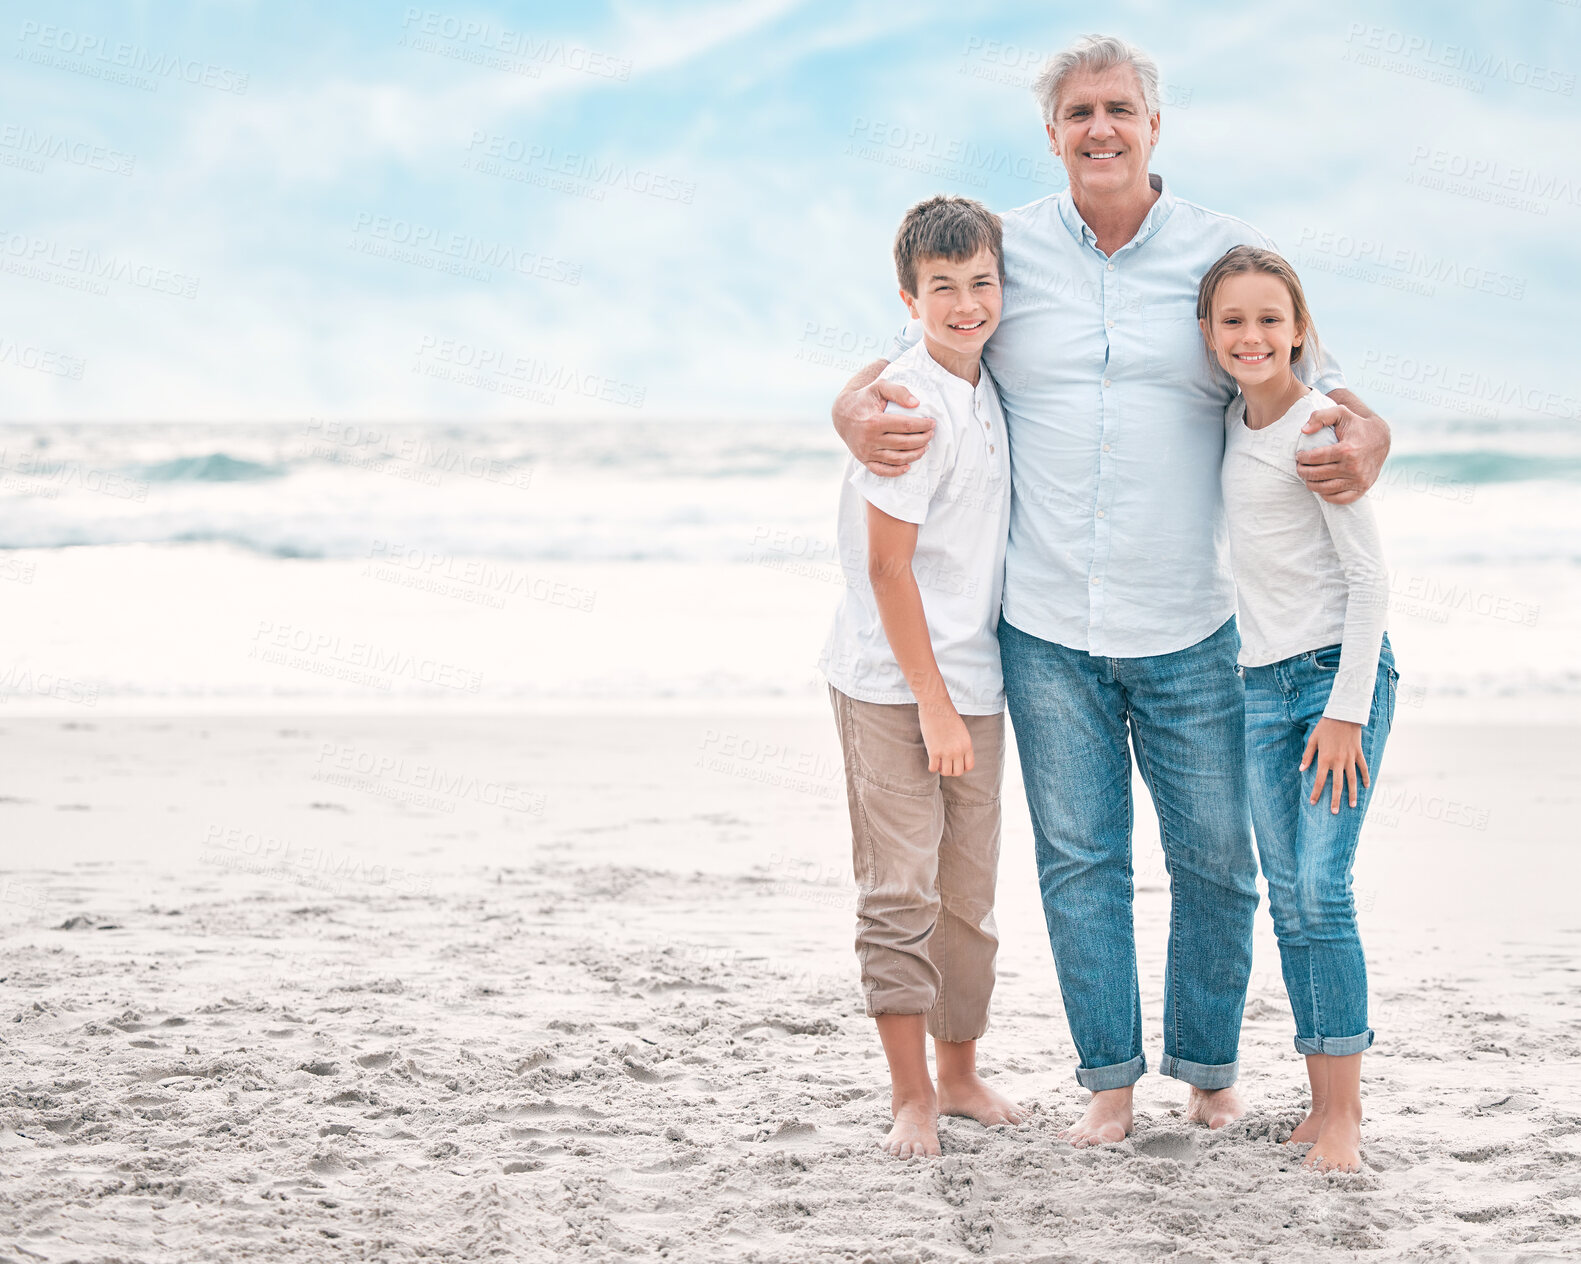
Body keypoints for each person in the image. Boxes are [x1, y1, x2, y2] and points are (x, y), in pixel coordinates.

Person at [830, 34, 1393, 1146]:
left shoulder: (1216, 253)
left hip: (1192, 623)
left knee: (1217, 865)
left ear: (1153, 125)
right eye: (1080, 111)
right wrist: (846, 414)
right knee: (1079, 865)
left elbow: (1312, 374)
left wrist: (1375, 433)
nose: (1101, 128)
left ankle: (1210, 1070)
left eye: (1120, 109)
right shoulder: (1010, 251)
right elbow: (911, 349)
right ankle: (1109, 1086)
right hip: (1042, 630)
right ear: (1052, 133)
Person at [820, 194, 1024, 1159]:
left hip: (976, 685)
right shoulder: (903, 406)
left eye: (979, 283)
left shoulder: (988, 389)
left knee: (966, 901)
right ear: (908, 296)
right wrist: (933, 707)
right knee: (900, 892)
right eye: (941, 288)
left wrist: (961, 702)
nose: (964, 303)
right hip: (892, 686)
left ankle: (960, 1075)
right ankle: (909, 1096)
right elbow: (886, 569)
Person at [1200, 245, 1397, 1174]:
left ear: (1299, 330)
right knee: (1290, 902)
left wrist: (1345, 712)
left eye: (1269, 320)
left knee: (1322, 890)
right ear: (1209, 333)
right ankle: (1320, 1109)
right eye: (1233, 320)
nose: (1251, 336)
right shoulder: (1233, 424)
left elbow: (1369, 580)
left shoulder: (1320, 428)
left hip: (1329, 686)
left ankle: (1346, 1116)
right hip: (1257, 686)